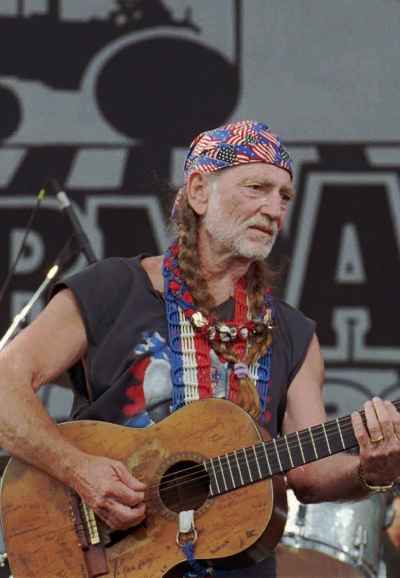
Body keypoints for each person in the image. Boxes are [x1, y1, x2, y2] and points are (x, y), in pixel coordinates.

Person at [0, 120, 399, 578]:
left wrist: (373, 472)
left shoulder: (292, 332)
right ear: (199, 191)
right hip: (101, 558)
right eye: (257, 188)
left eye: (285, 196)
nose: (274, 209)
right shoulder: (110, 289)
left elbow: (309, 475)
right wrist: (79, 471)